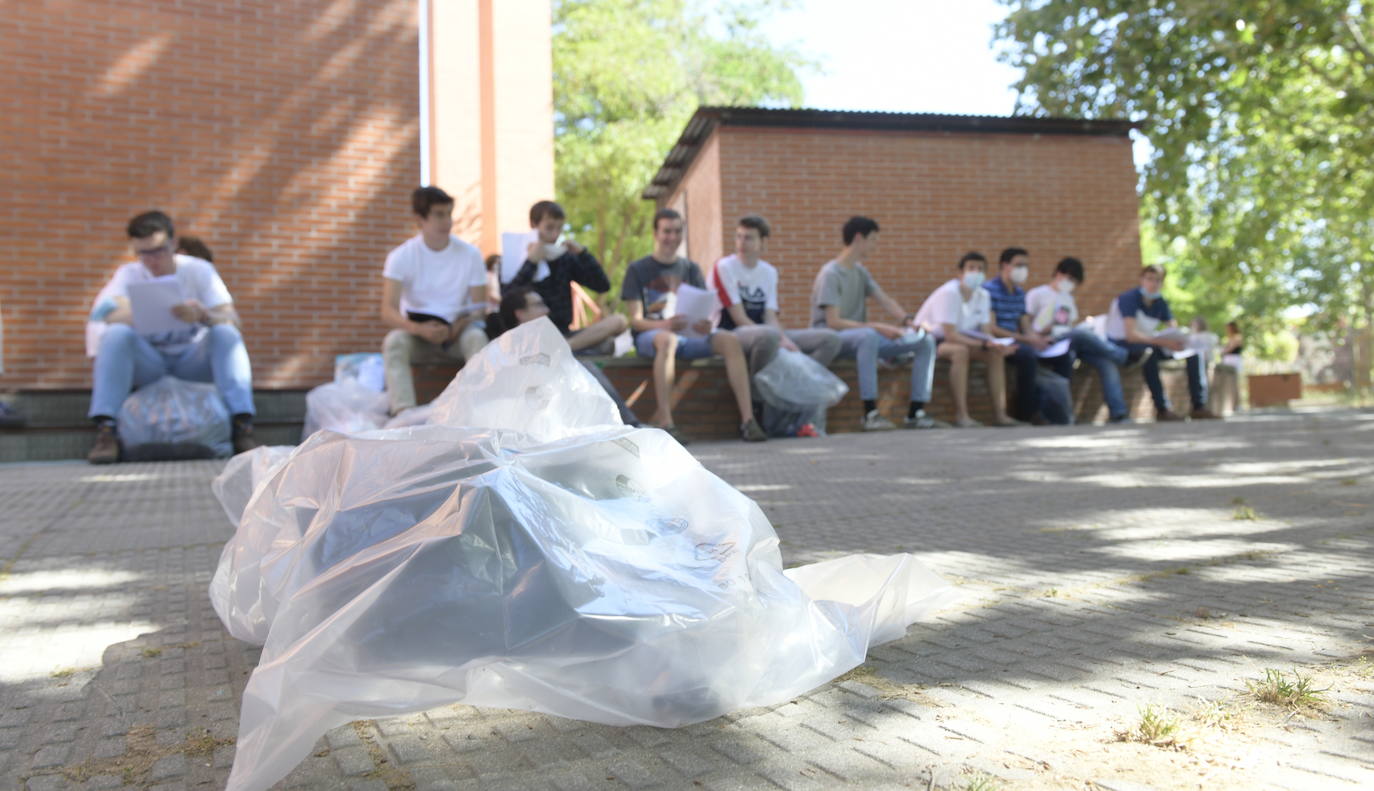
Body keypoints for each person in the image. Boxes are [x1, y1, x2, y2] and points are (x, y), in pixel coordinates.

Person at [86, 211, 259, 464]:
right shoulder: (128, 273)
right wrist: (146, 310)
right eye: (143, 253)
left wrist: (202, 315)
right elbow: (106, 315)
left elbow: (232, 318)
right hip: (150, 363)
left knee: (226, 333)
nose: (152, 260)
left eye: (158, 250)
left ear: (174, 244)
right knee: (115, 335)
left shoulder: (199, 270)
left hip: (193, 360)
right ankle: (106, 431)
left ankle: (242, 426)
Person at [620, 208, 767, 442]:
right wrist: (666, 324)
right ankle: (666, 422)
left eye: (677, 231)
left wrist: (706, 325)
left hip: (689, 336)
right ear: (656, 233)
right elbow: (635, 320)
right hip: (654, 336)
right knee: (668, 339)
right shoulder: (638, 269)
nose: (672, 237)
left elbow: (703, 308)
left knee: (730, 340)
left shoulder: (691, 269)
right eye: (667, 231)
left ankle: (748, 421)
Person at [810, 217, 940, 430]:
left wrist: (909, 322)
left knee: (925, 342)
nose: (875, 245)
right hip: (832, 338)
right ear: (859, 238)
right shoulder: (830, 274)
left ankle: (916, 412)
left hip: (861, 338)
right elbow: (833, 322)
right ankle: (870, 413)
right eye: (873, 240)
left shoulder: (860, 271)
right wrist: (877, 327)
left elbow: (885, 299)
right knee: (869, 336)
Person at [380, 186, 489, 416]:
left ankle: (480, 410)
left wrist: (456, 327)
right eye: (439, 215)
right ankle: (404, 415)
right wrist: (419, 329)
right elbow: (387, 311)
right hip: (418, 337)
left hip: (457, 335)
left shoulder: (470, 254)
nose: (447, 221)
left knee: (478, 338)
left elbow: (480, 309)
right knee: (394, 342)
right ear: (420, 219)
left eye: (449, 214)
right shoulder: (401, 256)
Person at [497, 287, 639, 426]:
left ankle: (629, 425)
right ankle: (631, 424)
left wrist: (565, 346)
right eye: (538, 305)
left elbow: (619, 321)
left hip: (579, 415)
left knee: (586, 365)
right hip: (541, 419)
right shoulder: (508, 348)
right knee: (586, 367)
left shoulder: (560, 338)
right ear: (520, 314)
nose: (547, 310)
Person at [712, 214, 841, 367]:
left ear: (763, 242)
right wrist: (779, 339)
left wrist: (785, 340)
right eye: (739, 237)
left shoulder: (769, 272)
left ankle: (798, 380)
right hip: (731, 332)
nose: (741, 243)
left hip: (767, 334)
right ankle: (758, 388)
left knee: (831, 339)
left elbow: (770, 316)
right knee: (769, 336)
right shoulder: (724, 267)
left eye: (748, 238)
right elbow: (739, 318)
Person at [913, 252, 1024, 428]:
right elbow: (950, 335)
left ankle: (1001, 415)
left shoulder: (983, 295)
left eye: (980, 269)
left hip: (963, 339)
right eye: (971, 268)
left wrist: (996, 344)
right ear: (960, 272)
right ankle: (962, 415)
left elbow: (986, 331)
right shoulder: (949, 293)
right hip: (931, 342)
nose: (976, 272)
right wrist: (984, 344)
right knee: (960, 352)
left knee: (996, 354)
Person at [508, 200, 628, 353]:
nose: (555, 234)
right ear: (534, 225)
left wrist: (583, 254)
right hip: (529, 335)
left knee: (619, 321)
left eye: (559, 228)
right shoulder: (517, 254)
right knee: (606, 346)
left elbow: (602, 285)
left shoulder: (565, 258)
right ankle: (568, 349)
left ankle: (565, 347)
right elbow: (507, 298)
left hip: (563, 334)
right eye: (549, 227)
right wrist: (531, 263)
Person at [1104, 265, 1220, 421]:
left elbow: (1172, 327)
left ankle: (1198, 406)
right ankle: (1162, 409)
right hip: (1123, 346)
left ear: (1162, 283)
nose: (1153, 283)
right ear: (1141, 280)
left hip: (1150, 342)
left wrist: (1181, 341)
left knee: (1194, 353)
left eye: (1157, 280)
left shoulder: (1160, 303)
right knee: (1149, 353)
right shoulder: (1128, 299)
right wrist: (1163, 342)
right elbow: (1130, 335)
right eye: (1149, 279)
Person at [984, 247, 1053, 421]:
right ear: (1004, 265)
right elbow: (991, 328)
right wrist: (1025, 339)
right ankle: (1026, 414)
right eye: (1019, 265)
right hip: (997, 341)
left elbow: (1025, 324)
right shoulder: (989, 290)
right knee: (1028, 355)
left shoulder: (1020, 293)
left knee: (1055, 354)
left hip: (1017, 340)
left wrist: (1036, 338)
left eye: (1026, 265)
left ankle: (1053, 411)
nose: (1023, 270)